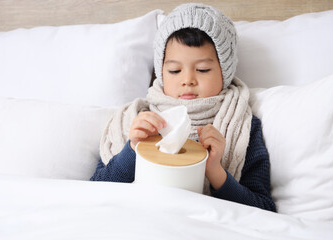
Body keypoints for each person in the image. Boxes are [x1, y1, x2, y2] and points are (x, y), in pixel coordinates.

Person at [91, 3, 276, 212]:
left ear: (225, 71)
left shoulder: (243, 127)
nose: (188, 80)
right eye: (175, 70)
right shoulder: (134, 122)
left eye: (203, 69)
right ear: (161, 72)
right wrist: (133, 149)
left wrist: (215, 172)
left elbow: (264, 210)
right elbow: (94, 192)